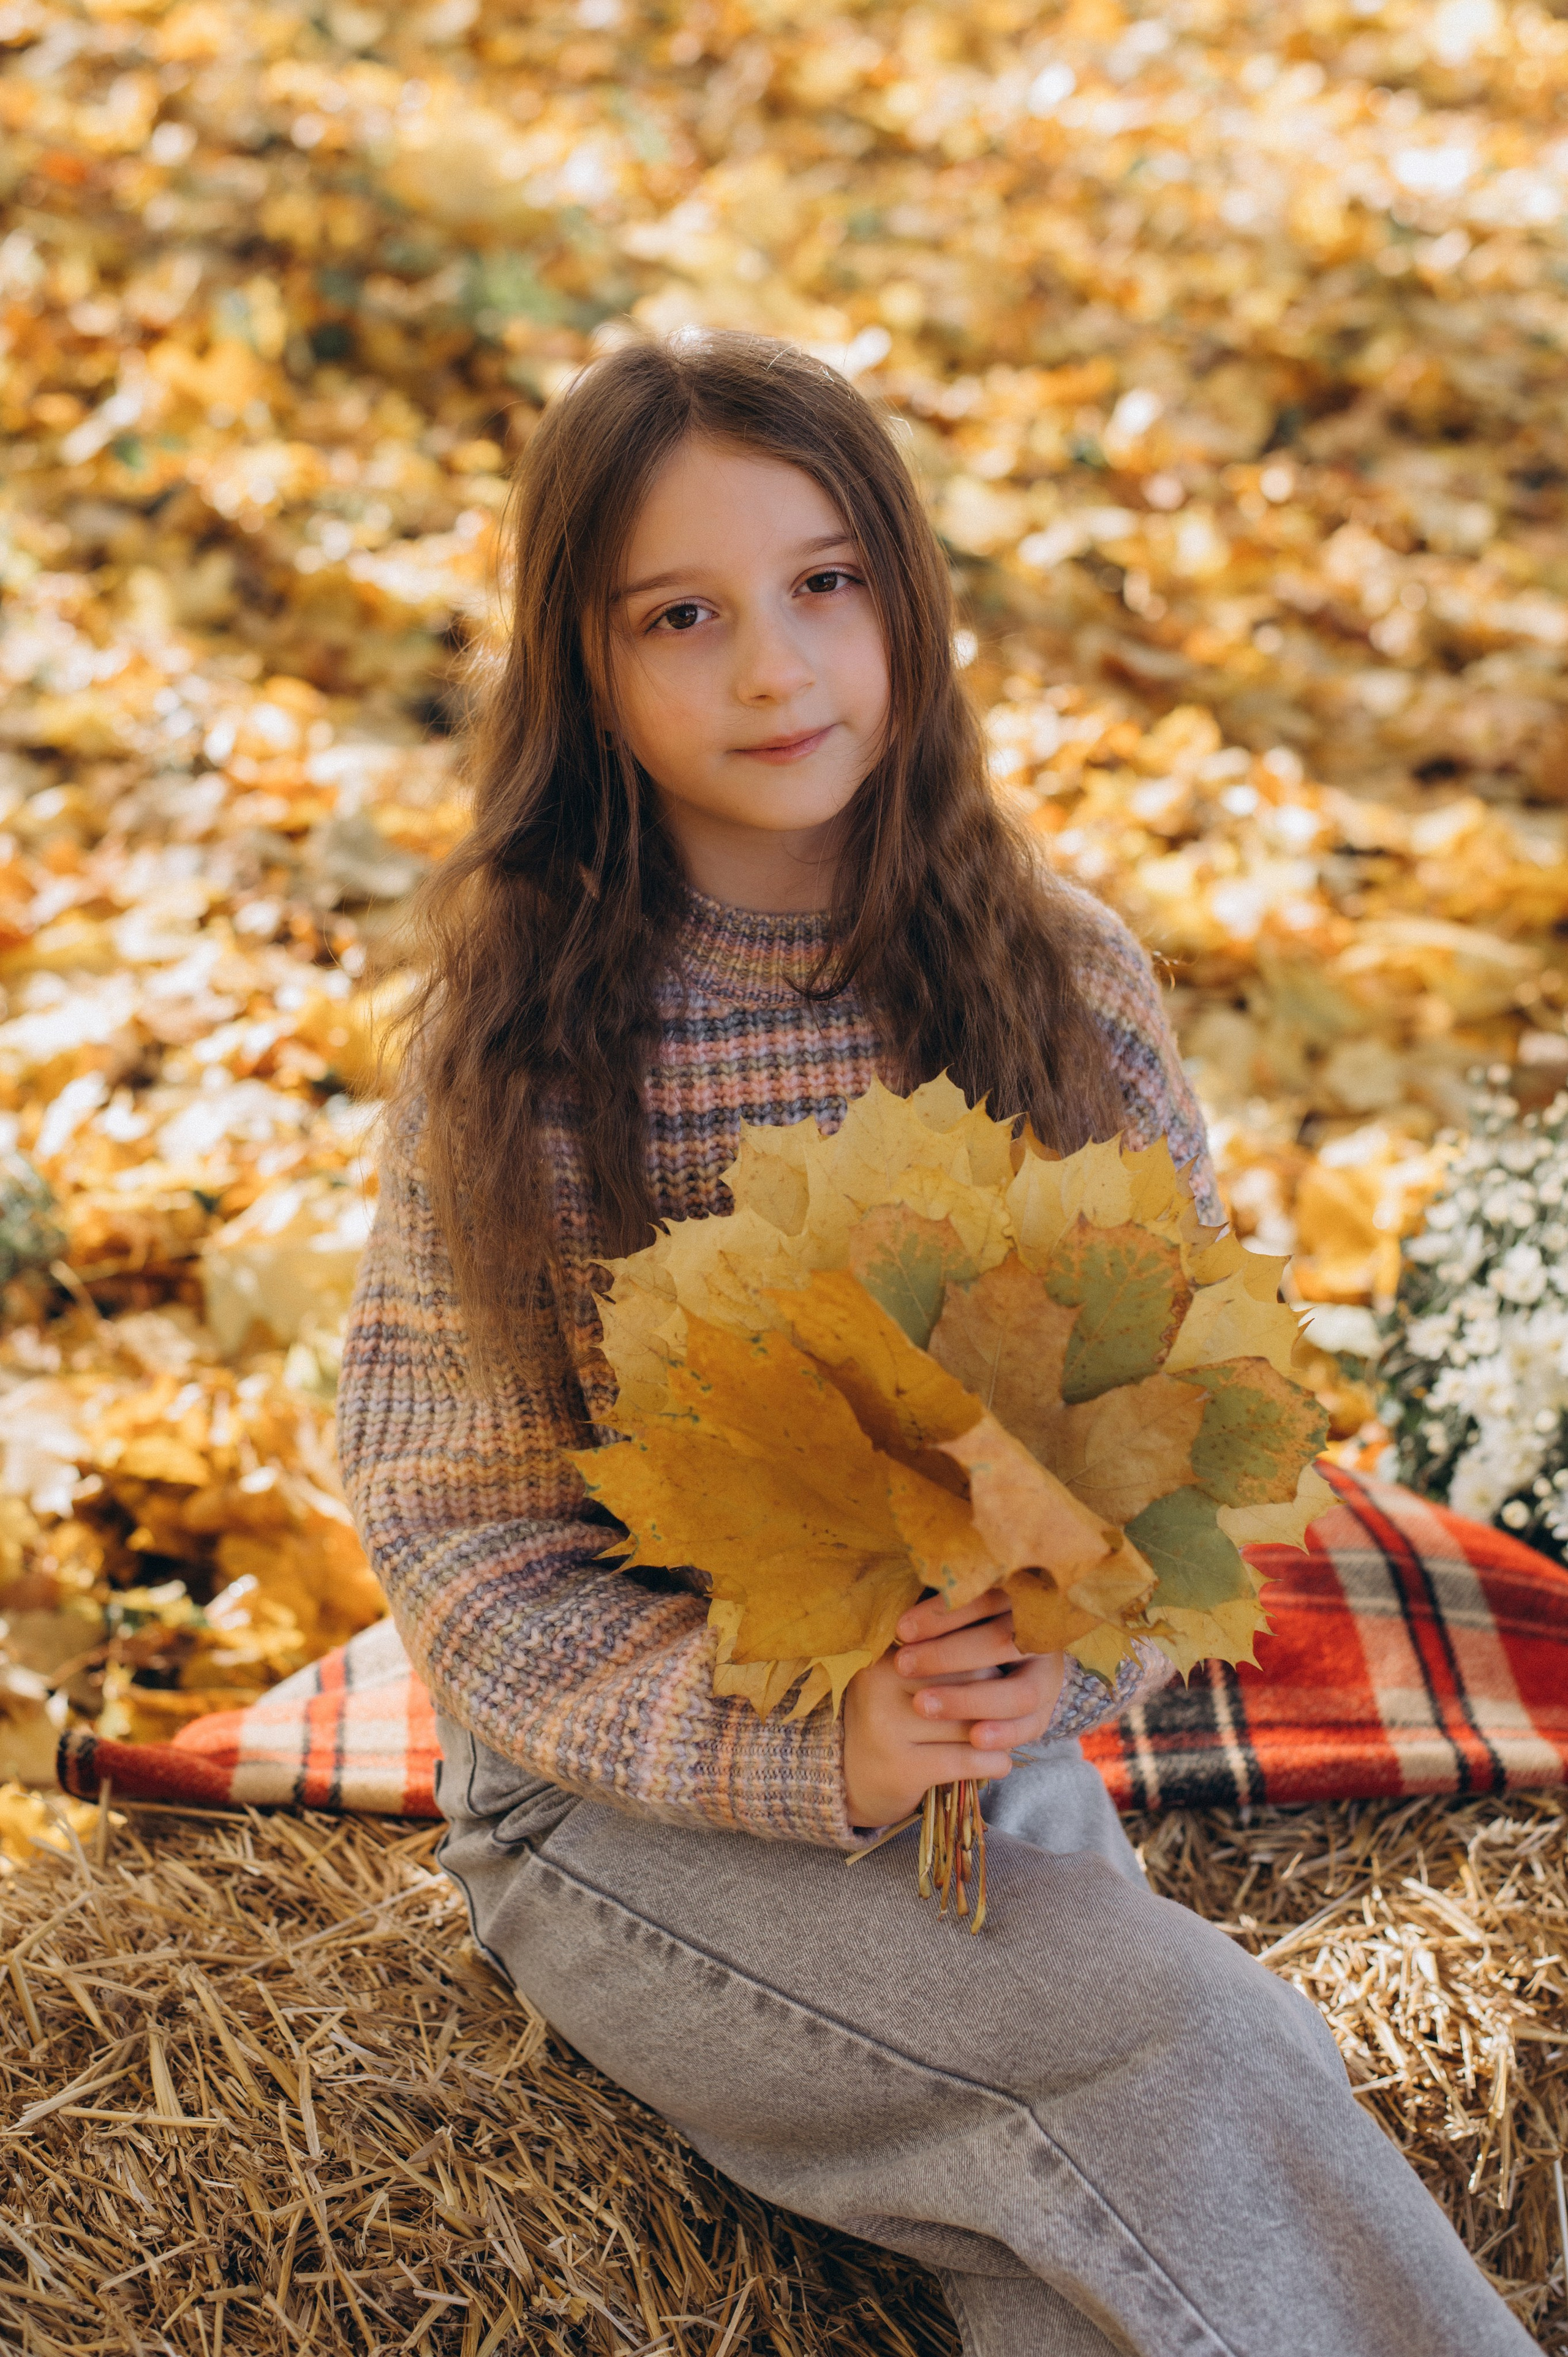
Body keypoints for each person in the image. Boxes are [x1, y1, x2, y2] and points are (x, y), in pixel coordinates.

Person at [337, 329, 1533, 2356]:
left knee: (1073, 2265)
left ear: (909, 597)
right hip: (640, 1821)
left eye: (827, 585)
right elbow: (461, 1537)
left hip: (1003, 1758)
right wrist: (809, 1746)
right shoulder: (525, 1052)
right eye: (684, 617)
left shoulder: (1057, 975)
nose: (776, 671)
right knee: (1190, 2045)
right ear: (589, 668)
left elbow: (1197, 1443)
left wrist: (1049, 1661)